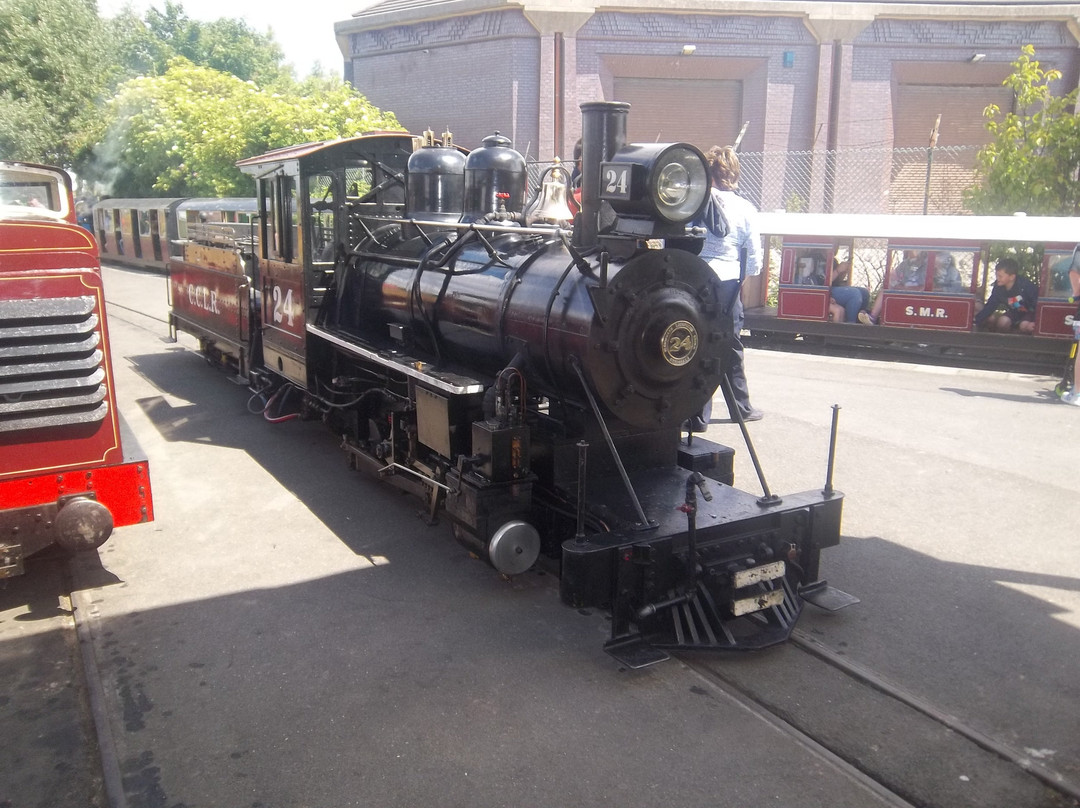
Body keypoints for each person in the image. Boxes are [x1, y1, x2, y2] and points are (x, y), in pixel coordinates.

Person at [686, 144, 764, 429]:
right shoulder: (745, 209)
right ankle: (740, 408)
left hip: (696, 281)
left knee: (695, 345)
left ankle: (696, 415)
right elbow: (753, 259)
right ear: (732, 174)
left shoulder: (694, 201)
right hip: (729, 286)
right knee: (729, 346)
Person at [859, 250, 927, 324]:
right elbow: (892, 279)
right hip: (902, 292)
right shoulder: (905, 263)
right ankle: (873, 317)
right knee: (885, 289)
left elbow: (923, 287)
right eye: (908, 250)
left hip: (919, 296)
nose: (909, 252)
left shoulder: (926, 265)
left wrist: (904, 288)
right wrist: (894, 283)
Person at [973, 257, 1038, 334]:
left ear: (1012, 277)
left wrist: (1034, 321)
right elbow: (991, 306)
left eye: (1000, 276)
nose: (997, 279)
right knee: (1002, 322)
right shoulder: (998, 287)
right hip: (1015, 312)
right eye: (996, 275)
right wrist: (975, 321)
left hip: (1030, 313)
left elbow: (1036, 305)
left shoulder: (1026, 286)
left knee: (1024, 326)